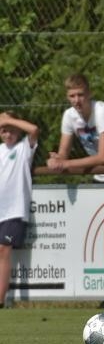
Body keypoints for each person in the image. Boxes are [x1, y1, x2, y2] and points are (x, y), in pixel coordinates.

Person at [47, 73, 104, 183]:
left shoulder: (101, 111)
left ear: (89, 94)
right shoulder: (68, 115)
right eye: (72, 96)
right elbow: (63, 153)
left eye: (80, 95)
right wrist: (56, 159)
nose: (77, 100)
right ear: (67, 97)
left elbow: (103, 157)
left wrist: (66, 163)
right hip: (98, 176)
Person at [0, 112, 39, 308]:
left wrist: (8, 119)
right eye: (3, 130)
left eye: (11, 130)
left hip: (14, 210)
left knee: (3, 250)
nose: (7, 134)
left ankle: (0, 300)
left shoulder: (24, 148)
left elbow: (33, 130)